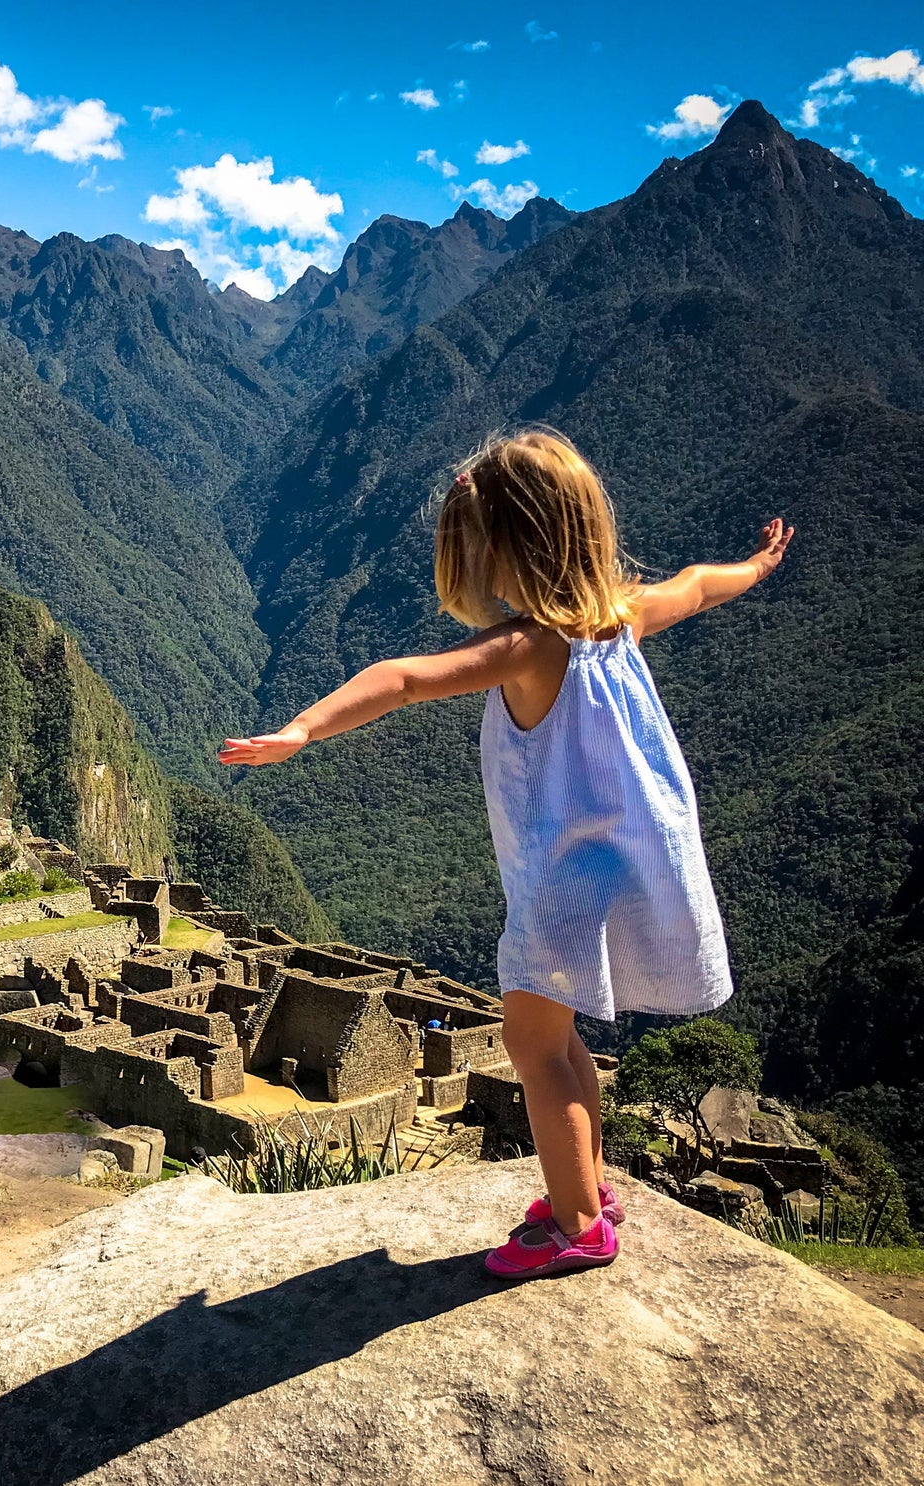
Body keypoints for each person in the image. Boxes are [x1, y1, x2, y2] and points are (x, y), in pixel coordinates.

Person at [221, 428, 792, 1281]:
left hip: (567, 878)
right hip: (629, 855)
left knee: (532, 1047)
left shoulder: (534, 646)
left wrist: (302, 729)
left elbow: (404, 675)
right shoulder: (622, 617)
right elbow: (696, 587)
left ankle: (578, 1227)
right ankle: (588, 1190)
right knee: (563, 1047)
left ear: (510, 553)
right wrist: (754, 568)